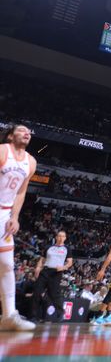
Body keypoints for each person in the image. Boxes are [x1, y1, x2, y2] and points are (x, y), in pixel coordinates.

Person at [0, 124, 37, 331]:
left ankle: (9, 315)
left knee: (6, 264)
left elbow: (21, 192)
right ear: (11, 135)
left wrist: (14, 216)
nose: (27, 133)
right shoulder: (2, 151)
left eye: (29, 131)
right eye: (22, 130)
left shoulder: (30, 161)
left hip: (4, 214)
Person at [32, 230, 73, 322]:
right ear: (56, 237)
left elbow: (70, 262)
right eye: (59, 236)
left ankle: (60, 313)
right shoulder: (49, 247)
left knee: (54, 294)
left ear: (65, 238)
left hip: (56, 273)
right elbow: (42, 259)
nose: (60, 238)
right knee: (37, 292)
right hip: (45, 271)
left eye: (63, 236)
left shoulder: (67, 249)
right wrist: (38, 267)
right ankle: (33, 316)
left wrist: (63, 267)